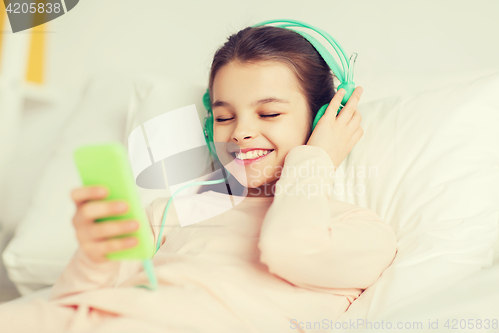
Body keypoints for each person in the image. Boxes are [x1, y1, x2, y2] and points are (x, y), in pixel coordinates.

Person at [0, 25, 398, 333]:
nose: (239, 132)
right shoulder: (174, 211)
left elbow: (290, 250)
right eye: (224, 117)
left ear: (321, 119)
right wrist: (95, 254)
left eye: (269, 114)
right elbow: (72, 304)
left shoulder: (361, 230)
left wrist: (315, 159)